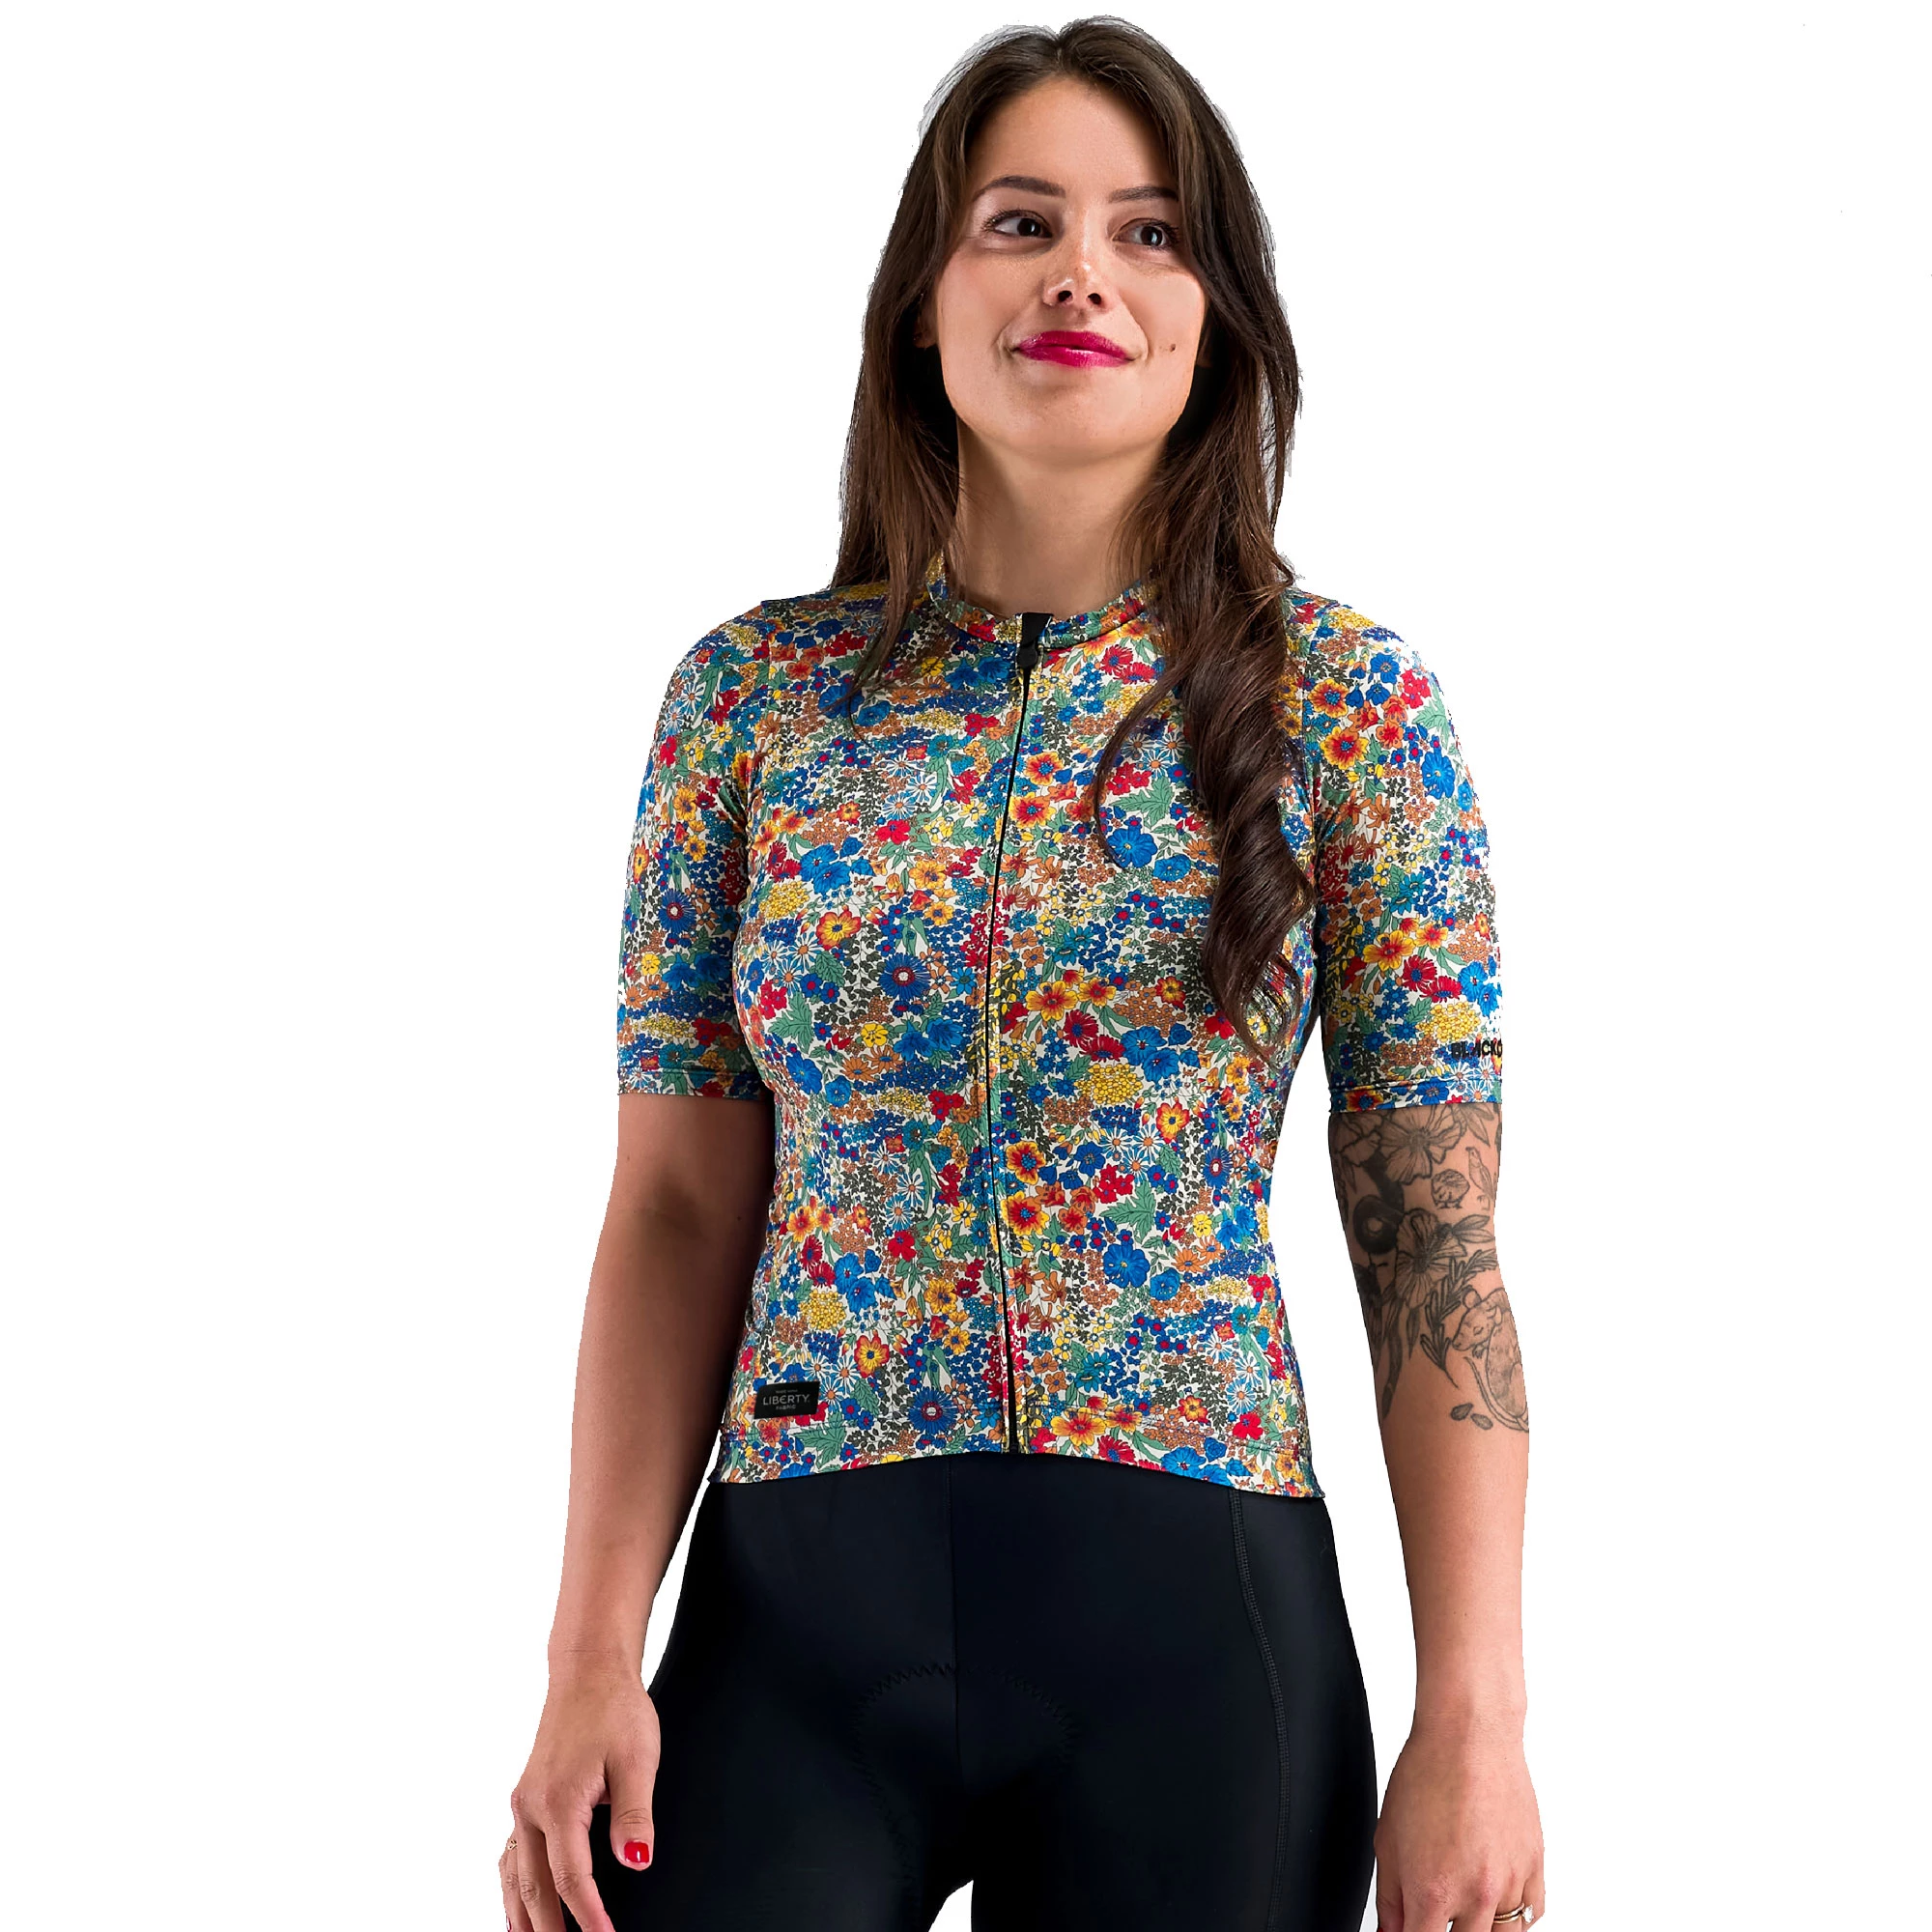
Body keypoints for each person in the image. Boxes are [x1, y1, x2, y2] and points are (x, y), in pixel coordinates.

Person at [502, 19, 1544, 1932]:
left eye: (1151, 233)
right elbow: (671, 1208)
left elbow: (1432, 1246)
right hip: (792, 1623)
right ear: (925, 301)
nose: (1082, 272)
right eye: (1020, 221)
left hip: (1199, 1643)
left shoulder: (1351, 705)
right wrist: (588, 1658)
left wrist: (1473, 1716)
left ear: (1215, 322)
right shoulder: (749, 703)